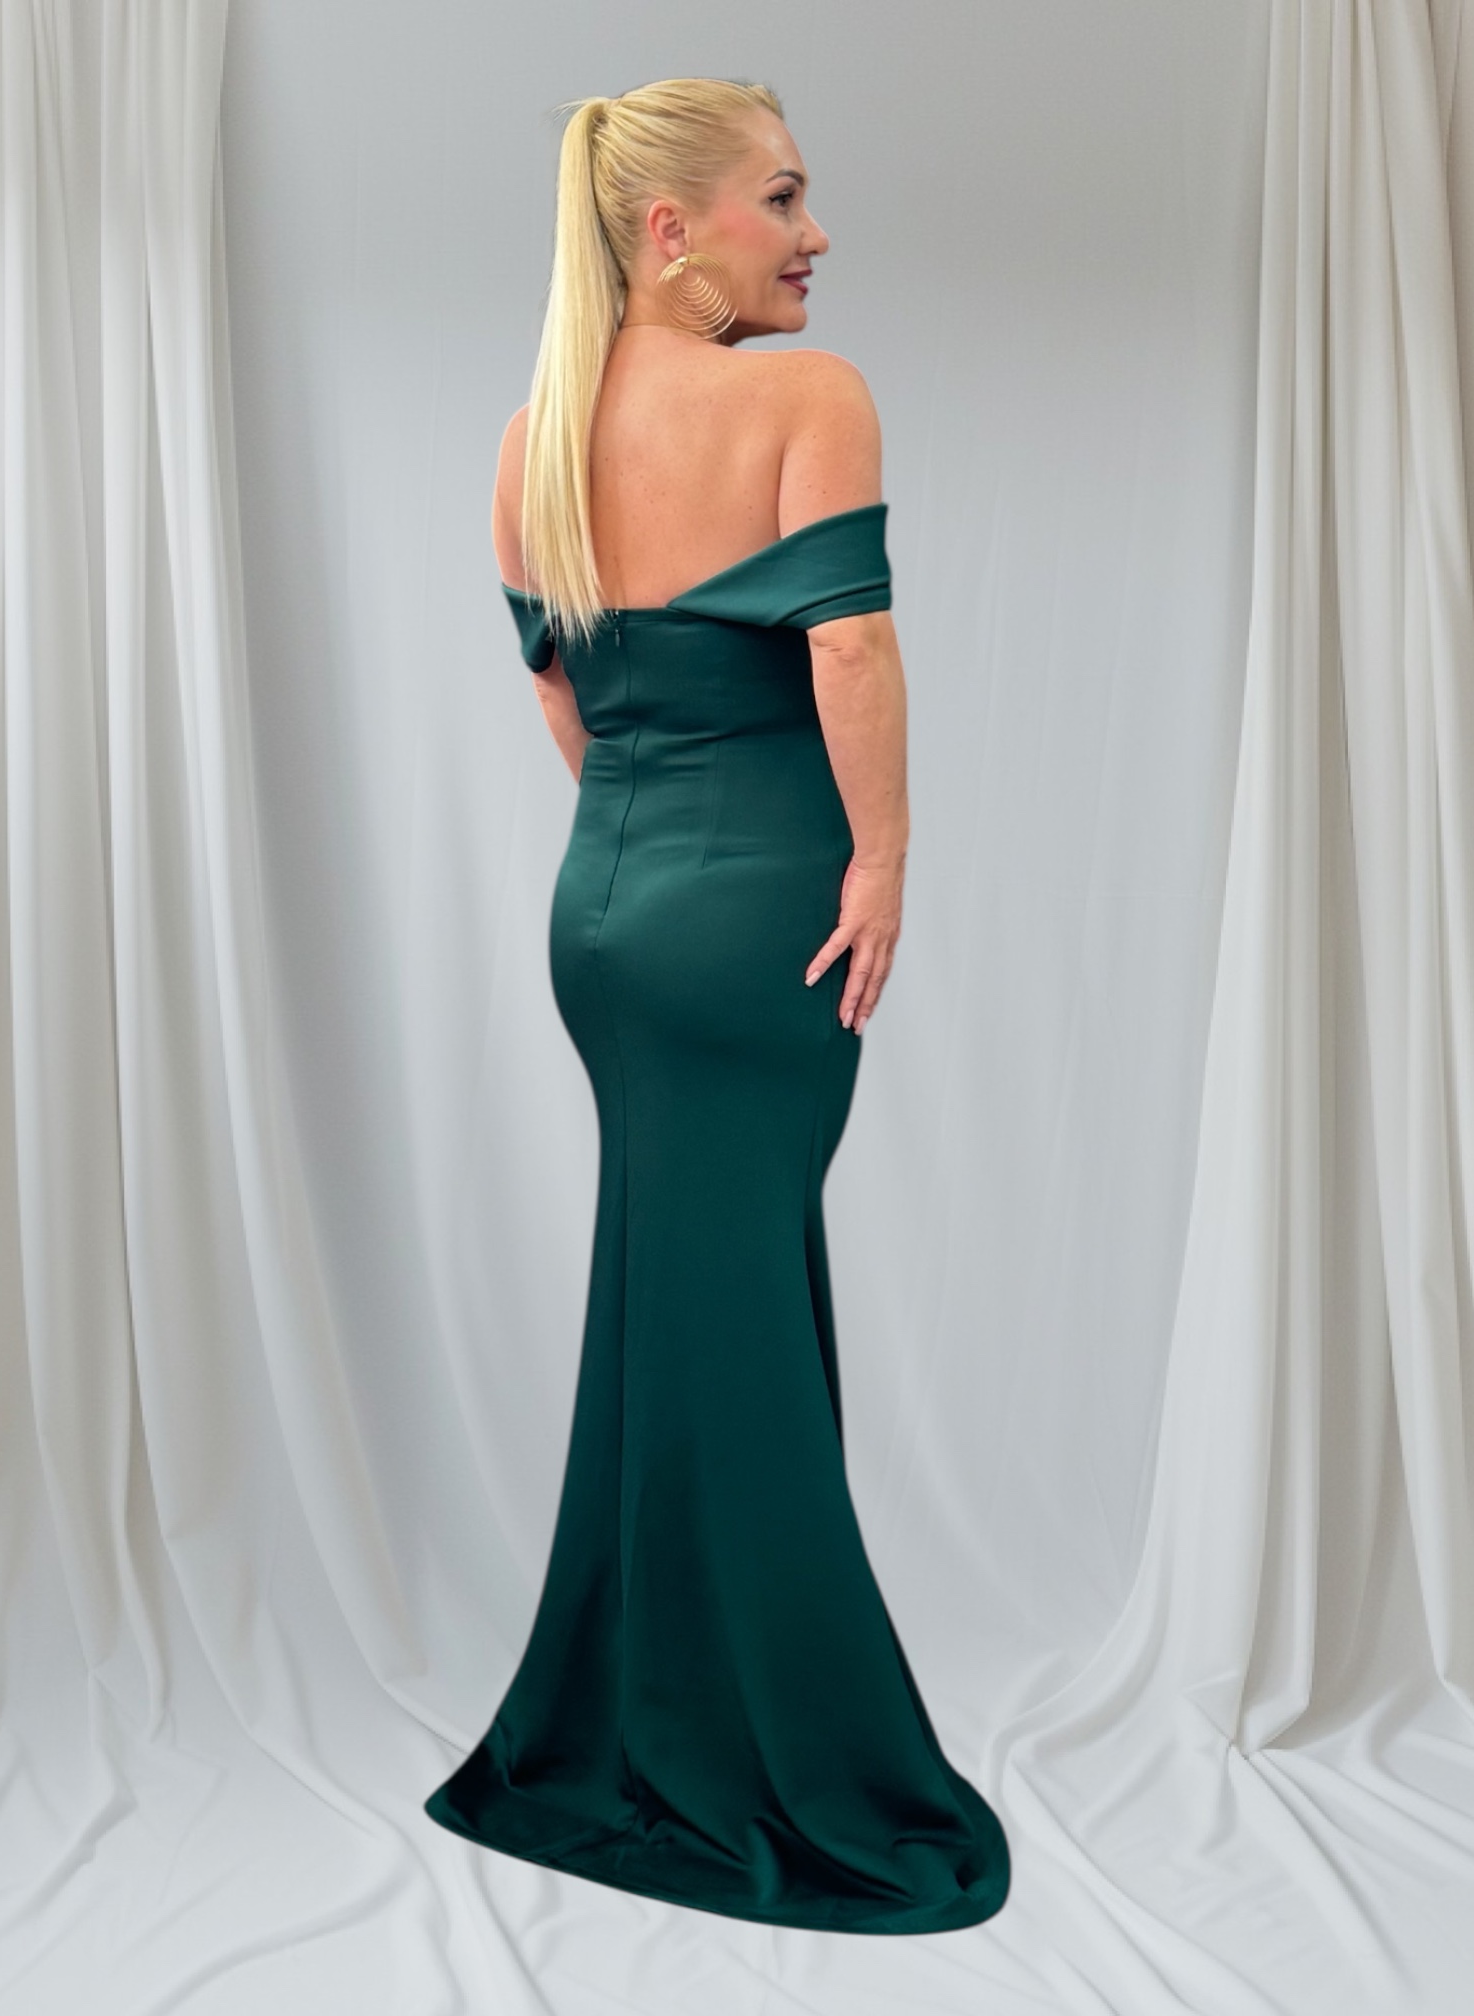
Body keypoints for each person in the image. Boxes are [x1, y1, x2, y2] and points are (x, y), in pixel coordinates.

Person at [424, 76, 1011, 1935]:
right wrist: (880, 861)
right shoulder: (805, 398)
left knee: (680, 1307)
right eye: (783, 197)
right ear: (670, 229)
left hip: (608, 921)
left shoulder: (528, 437)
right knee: (736, 1326)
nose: (815, 234)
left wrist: (651, 853)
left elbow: (562, 699)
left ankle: (632, 1721)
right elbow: (851, 642)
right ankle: (794, 1769)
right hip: (765, 925)